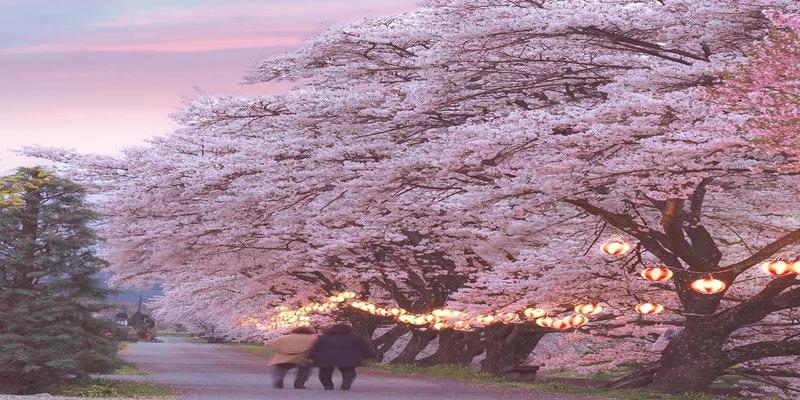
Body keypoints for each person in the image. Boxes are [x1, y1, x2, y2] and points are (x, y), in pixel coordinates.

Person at [308, 323, 376, 390]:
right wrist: (368, 355)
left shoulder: (324, 338)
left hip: (327, 358)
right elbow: (363, 347)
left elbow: (316, 348)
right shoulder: (354, 338)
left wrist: (312, 356)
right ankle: (346, 384)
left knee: (325, 372)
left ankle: (328, 385)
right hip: (348, 358)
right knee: (348, 371)